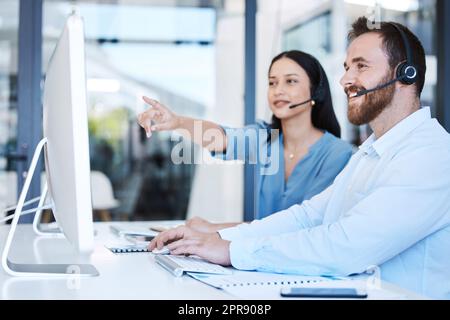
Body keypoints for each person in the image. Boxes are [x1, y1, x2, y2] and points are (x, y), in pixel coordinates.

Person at [149, 17, 450, 299]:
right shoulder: (369, 154)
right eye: (346, 67)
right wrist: (217, 238)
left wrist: (230, 249)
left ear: (405, 75)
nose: (346, 79)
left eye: (361, 66)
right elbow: (307, 216)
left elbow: (344, 245)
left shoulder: (431, 155)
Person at [137, 51, 352, 226]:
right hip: (261, 262)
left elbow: (303, 226)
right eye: (272, 82)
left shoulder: (339, 155)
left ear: (315, 91)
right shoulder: (265, 139)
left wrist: (215, 229)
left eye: (290, 81)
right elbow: (220, 137)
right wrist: (178, 122)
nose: (278, 90)